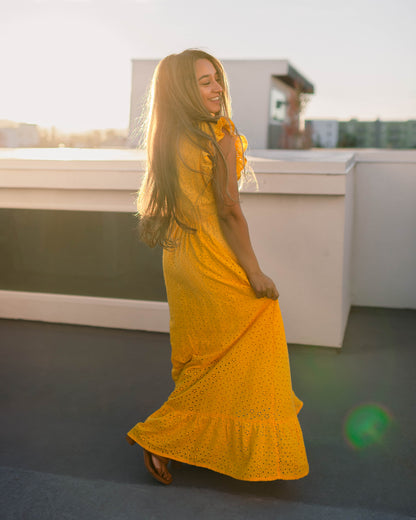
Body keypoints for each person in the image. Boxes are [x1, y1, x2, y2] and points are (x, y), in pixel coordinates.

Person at [126, 49, 309, 485]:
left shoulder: (167, 135)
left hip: (181, 259)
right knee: (260, 322)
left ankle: (187, 438)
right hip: (211, 257)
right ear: (184, 90)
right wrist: (255, 272)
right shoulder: (218, 135)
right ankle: (161, 436)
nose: (216, 89)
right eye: (204, 81)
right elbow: (229, 210)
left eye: (216, 79)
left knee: (207, 356)